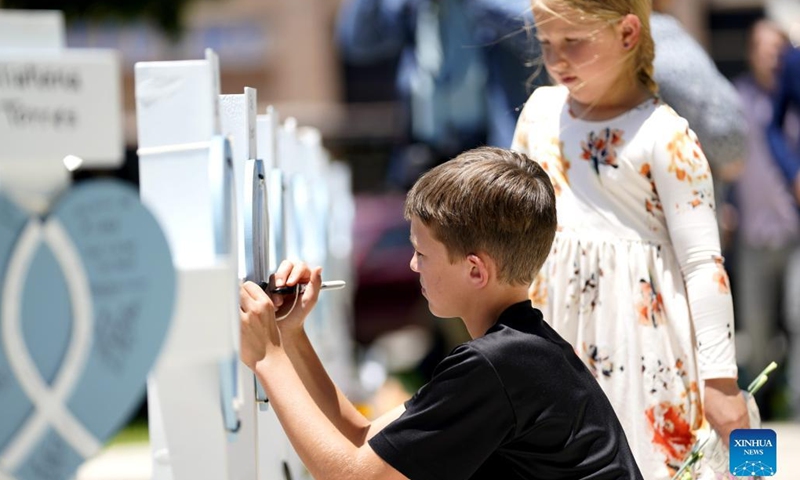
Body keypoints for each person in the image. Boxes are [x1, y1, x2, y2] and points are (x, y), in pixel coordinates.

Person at [239, 147, 643, 479]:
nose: (413, 266)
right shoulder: (520, 350)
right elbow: (361, 437)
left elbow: (353, 477)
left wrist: (266, 358)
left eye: (421, 253)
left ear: (474, 270)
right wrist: (290, 336)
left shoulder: (499, 365)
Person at [511, 1, 749, 478]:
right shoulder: (538, 114)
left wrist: (721, 383)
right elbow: (514, 232)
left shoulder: (665, 135)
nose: (557, 59)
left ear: (626, 34)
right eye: (546, 43)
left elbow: (704, 264)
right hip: (557, 340)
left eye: (574, 42)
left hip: (650, 355)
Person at [732, 19, 799, 412]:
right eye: (763, 46)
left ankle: (796, 407)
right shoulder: (735, 98)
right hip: (752, 235)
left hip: (794, 235)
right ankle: (760, 409)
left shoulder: (794, 98)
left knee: (798, 318)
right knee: (756, 332)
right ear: (750, 51)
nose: (771, 55)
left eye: (778, 47)